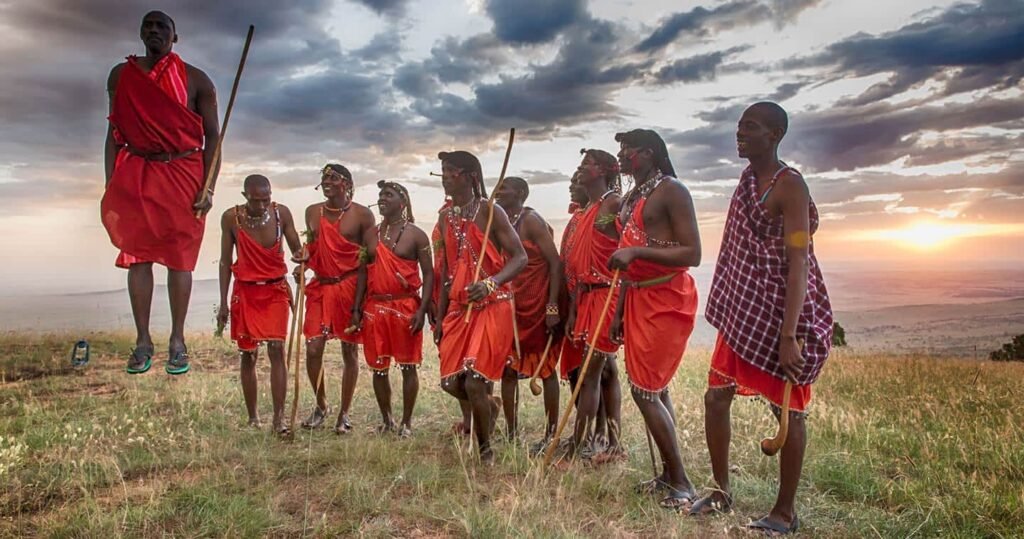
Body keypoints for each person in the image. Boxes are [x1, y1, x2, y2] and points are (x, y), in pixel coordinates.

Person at [694, 102, 833, 535]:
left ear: (774, 134)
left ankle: (784, 513)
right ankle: (720, 491)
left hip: (779, 313)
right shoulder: (747, 181)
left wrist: (789, 334)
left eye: (750, 127)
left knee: (787, 411)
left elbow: (799, 260)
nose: (740, 133)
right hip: (744, 310)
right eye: (738, 127)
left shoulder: (790, 186)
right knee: (716, 397)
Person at [101, 11, 220, 375]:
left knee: (180, 257)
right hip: (136, 170)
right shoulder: (122, 76)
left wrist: (208, 185)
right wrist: (110, 183)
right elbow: (114, 130)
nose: (154, 31)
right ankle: (142, 341)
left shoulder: (197, 80)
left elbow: (213, 136)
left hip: (183, 172)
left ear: (175, 37)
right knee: (137, 255)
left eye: (161, 27)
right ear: (140, 32)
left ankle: (177, 341)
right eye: (148, 26)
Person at [607, 129, 701, 510]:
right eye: (620, 149)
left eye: (627, 149)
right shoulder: (633, 196)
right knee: (656, 389)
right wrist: (618, 311)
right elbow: (630, 260)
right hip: (638, 297)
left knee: (644, 390)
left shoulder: (672, 190)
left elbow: (692, 252)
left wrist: (635, 252)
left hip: (667, 297)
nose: (622, 155)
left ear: (648, 153)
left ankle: (682, 482)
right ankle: (667, 474)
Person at [433, 150, 527, 463]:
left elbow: (520, 257)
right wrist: (441, 315)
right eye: (443, 171)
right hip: (460, 309)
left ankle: (485, 451)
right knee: (451, 383)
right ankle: (491, 406)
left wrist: (490, 283)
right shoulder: (445, 217)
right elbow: (447, 271)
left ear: (471, 176)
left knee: (474, 380)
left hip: (493, 305)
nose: (446, 177)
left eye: (452, 171)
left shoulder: (490, 211)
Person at [216, 175, 304, 433]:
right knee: (248, 354)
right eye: (257, 201)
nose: (263, 205)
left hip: (275, 289)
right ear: (245, 196)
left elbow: (296, 249)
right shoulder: (231, 218)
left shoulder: (281, 214)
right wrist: (223, 302)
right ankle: (253, 417)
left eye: (266, 199)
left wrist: (303, 259)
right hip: (246, 291)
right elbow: (225, 262)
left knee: (276, 348)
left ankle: (279, 419)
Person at [297, 164, 376, 433]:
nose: (326, 181)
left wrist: (358, 305)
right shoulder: (312, 212)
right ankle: (321, 405)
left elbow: (366, 260)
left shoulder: (363, 215)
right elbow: (312, 247)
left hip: (349, 286)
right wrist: (304, 263)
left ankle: (344, 412)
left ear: (347, 184)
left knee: (349, 349)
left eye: (333, 178)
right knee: (313, 347)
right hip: (321, 286)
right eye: (324, 178)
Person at [563, 149, 624, 461]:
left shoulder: (613, 204)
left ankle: (584, 441)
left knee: (592, 370)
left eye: (586, 164)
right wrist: (573, 306)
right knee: (603, 369)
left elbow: (627, 246)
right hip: (587, 296)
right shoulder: (589, 209)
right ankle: (605, 439)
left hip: (606, 293)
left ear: (603, 170)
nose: (580, 168)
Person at [494, 177, 562, 445]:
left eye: (505, 189)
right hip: (510, 306)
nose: (499, 192)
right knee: (508, 368)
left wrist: (553, 306)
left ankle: (550, 433)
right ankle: (511, 433)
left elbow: (555, 264)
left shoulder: (531, 220)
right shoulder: (500, 221)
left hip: (538, 304)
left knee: (545, 369)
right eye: (497, 188)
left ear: (520, 193)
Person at [363, 181, 434, 437]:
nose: (382, 198)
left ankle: (406, 422)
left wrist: (422, 310)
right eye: (380, 194)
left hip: (405, 307)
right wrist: (356, 310)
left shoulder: (417, 235)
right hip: (375, 307)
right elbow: (363, 273)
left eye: (389, 195)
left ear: (402, 203)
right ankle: (387, 419)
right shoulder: (371, 235)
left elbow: (429, 274)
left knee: (407, 366)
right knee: (378, 368)